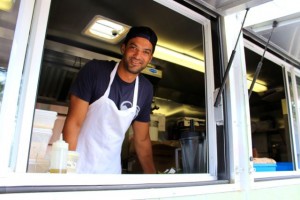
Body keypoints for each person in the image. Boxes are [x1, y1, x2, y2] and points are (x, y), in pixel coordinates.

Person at [62, 26, 157, 174]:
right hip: (78, 168)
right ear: (123, 48)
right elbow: (74, 123)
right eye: (133, 48)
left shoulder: (146, 89)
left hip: (111, 174)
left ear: (150, 58)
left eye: (146, 52)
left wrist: (154, 180)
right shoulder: (95, 71)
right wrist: (66, 171)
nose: (138, 56)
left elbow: (142, 140)